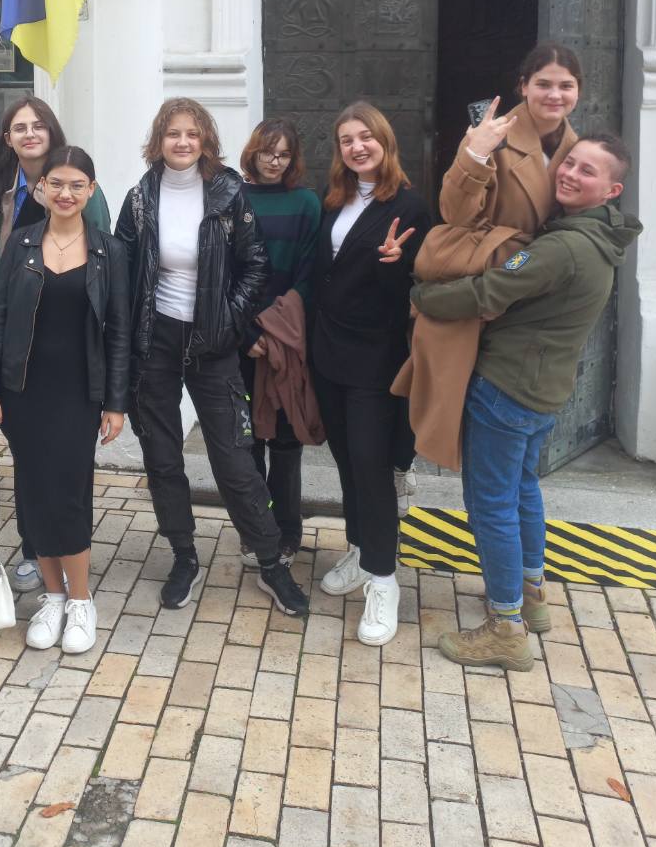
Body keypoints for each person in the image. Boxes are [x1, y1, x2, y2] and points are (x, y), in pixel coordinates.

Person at [412, 133, 641, 670]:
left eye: (587, 171)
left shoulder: (561, 248)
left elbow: (488, 290)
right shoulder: (600, 237)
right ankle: (532, 594)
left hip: (507, 388)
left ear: (611, 190)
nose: (570, 174)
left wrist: (422, 296)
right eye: (570, 163)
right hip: (543, 389)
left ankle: (506, 628)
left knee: (491, 505)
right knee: (522, 490)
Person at [116, 98, 310, 617]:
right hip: (155, 343)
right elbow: (122, 270)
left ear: (205, 141)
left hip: (214, 344)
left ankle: (269, 561)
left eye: (192, 134)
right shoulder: (140, 199)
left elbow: (256, 265)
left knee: (235, 457)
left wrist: (229, 320)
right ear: (158, 141)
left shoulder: (228, 194)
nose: (182, 142)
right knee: (163, 457)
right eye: (173, 133)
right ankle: (184, 555)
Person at [394, 42, 583, 471]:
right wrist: (475, 154)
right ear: (523, 86)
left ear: (578, 91)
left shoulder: (577, 147)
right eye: (544, 84)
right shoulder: (492, 134)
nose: (555, 95)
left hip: (536, 288)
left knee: (514, 437)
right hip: (490, 276)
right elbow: (455, 213)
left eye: (566, 86)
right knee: (470, 409)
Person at [0, 146, 130, 654]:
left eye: (76, 185)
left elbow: (120, 333)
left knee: (69, 492)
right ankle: (53, 597)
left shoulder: (109, 251)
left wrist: (115, 402)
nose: (66, 194)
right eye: (56, 184)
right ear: (42, 188)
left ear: (91, 190)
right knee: (35, 491)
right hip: (24, 390)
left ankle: (81, 600)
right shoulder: (20, 245)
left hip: (79, 392)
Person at [312, 103, 431, 647]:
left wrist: (394, 265)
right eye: (346, 140)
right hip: (328, 353)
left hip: (375, 358)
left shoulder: (409, 206)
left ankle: (384, 580)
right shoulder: (333, 198)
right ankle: (361, 551)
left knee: (371, 463)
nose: (357, 147)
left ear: (385, 141)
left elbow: (418, 289)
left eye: (366, 137)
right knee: (344, 459)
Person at [238, 117, 322, 566]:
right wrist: (248, 332)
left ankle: (288, 531)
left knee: (286, 444)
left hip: (287, 339)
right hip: (243, 341)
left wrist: (277, 327)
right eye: (268, 152)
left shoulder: (306, 202)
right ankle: (257, 529)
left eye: (284, 154)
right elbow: (223, 272)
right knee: (248, 442)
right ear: (253, 152)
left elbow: (311, 271)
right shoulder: (234, 198)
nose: (275, 161)